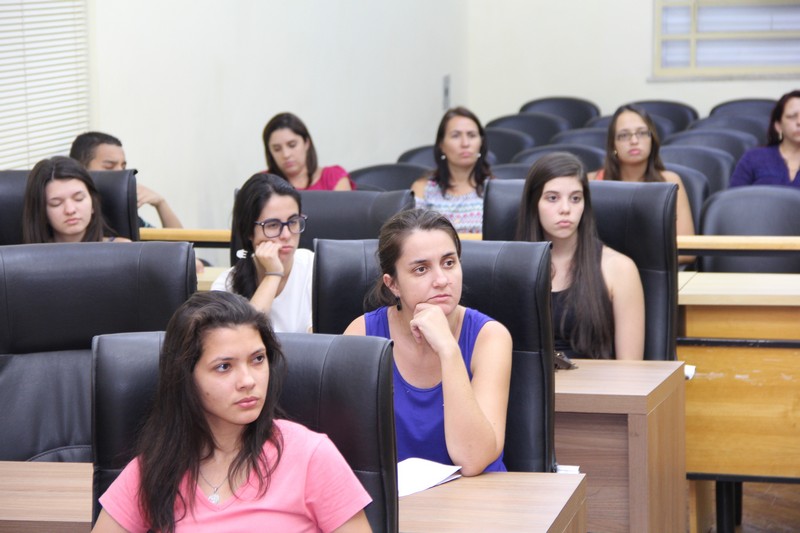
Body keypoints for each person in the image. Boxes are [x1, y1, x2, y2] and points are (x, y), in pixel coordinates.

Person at [92, 291, 371, 533]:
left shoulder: (311, 455)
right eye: (224, 366)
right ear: (186, 376)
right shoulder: (156, 466)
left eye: (258, 359)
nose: (248, 380)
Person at [344, 209, 511, 476]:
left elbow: (473, 459)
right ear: (393, 284)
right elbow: (345, 452)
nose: (442, 280)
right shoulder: (362, 335)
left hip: (478, 502)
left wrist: (447, 348)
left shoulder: (490, 337)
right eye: (421, 269)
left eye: (449, 263)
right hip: (399, 505)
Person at [518, 153, 645, 360]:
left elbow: (630, 370)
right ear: (534, 203)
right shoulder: (512, 268)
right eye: (552, 198)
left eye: (575, 198)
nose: (566, 209)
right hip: (529, 390)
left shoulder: (619, 268)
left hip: (597, 389)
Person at [588, 104, 695, 263]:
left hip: (656, 271)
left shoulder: (670, 182)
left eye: (642, 133)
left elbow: (688, 250)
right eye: (624, 135)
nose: (634, 141)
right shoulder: (592, 182)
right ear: (613, 145)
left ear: (652, 139)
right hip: (603, 273)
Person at [211, 173, 313, 333]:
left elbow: (319, 344)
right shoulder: (226, 284)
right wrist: (273, 274)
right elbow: (242, 342)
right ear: (248, 232)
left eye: (293, 222)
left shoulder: (314, 268)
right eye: (273, 225)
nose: (286, 235)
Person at [70, 131, 184, 229]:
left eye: (123, 167)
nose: (121, 172)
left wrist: (160, 203)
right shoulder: (73, 214)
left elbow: (181, 247)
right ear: (81, 168)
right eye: (109, 167)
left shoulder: (118, 207)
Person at [412, 107, 492, 234]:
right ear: (441, 145)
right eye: (455, 136)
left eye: (471, 135)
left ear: (481, 143)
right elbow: (413, 235)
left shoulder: (495, 191)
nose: (465, 143)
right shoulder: (423, 189)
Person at [22, 156, 130, 244]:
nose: (70, 210)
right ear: (41, 212)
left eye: (79, 199)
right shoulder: (28, 260)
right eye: (56, 203)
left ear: (93, 203)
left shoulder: (122, 249)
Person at [262, 113, 354, 191]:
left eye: (292, 145)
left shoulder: (333, 177)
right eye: (277, 149)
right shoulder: (262, 183)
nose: (286, 154)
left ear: (306, 143)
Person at [729, 90, 800, 188]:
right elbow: (732, 199)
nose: (799, 122)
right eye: (792, 116)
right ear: (778, 126)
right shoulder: (753, 157)